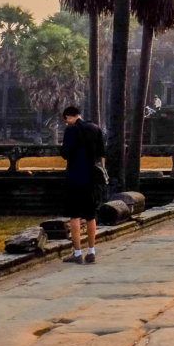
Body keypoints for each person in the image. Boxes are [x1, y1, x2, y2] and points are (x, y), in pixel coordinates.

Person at [60, 105, 105, 265]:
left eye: (66, 120)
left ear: (69, 117)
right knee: (91, 215)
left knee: (75, 216)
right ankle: (91, 250)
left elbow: (65, 153)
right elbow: (101, 155)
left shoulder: (71, 130)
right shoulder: (95, 128)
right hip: (92, 177)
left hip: (75, 176)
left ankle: (78, 253)